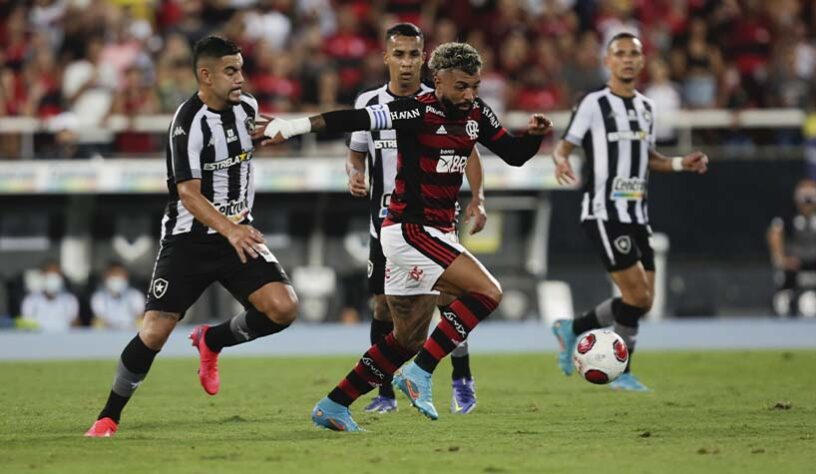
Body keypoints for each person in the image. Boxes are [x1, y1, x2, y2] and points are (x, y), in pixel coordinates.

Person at [260, 41, 551, 430]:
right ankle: (422, 372)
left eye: (475, 86)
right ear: (438, 80)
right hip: (409, 230)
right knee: (488, 293)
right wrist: (294, 125)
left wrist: (533, 137)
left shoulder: (477, 113)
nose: (469, 95)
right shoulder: (416, 110)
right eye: (461, 86)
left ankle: (333, 405)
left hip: (435, 232)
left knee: (407, 338)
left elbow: (513, 154)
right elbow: (354, 119)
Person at [85, 36, 299, 438]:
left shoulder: (247, 107)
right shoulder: (187, 124)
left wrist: (274, 136)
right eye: (230, 71)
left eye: (241, 69)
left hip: (237, 231)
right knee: (155, 331)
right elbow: (187, 192)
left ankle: (211, 340)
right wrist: (231, 228)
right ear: (206, 75)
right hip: (189, 238)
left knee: (283, 308)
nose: (241, 79)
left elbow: (248, 141)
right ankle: (108, 416)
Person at [550, 32, 709, 392]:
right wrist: (560, 162)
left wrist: (683, 163)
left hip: (637, 214)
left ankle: (572, 328)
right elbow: (565, 145)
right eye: (620, 53)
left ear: (642, 61)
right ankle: (622, 375)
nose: (628, 59)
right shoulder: (593, 103)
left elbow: (648, 158)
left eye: (634, 54)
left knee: (644, 300)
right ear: (608, 61)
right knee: (636, 296)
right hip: (604, 213)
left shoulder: (646, 108)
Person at [346, 23, 487, 415]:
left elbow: (470, 150)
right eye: (400, 54)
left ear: (424, 58)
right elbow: (356, 151)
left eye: (414, 54)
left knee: (449, 298)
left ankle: (462, 380)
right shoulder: (369, 103)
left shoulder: (441, 99)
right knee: (382, 308)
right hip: (386, 223)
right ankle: (385, 394)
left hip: (432, 221)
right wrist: (354, 173)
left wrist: (478, 196)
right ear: (386, 57)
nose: (407, 63)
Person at [767, 179, 816, 317]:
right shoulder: (787, 215)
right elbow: (774, 234)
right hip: (795, 266)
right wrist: (781, 259)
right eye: (804, 198)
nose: (807, 203)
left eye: (811, 198)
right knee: (782, 306)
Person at [20, 261, 80, 332]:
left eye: (56, 275)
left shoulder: (70, 300)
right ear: (42, 276)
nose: (53, 278)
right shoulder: (30, 300)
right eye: (49, 275)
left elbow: (75, 326)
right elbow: (26, 327)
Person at [90, 262, 145, 330]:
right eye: (113, 274)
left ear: (126, 277)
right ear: (105, 276)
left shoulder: (135, 295)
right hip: (107, 334)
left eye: (119, 274)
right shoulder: (98, 297)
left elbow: (140, 319)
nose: (116, 278)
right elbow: (100, 321)